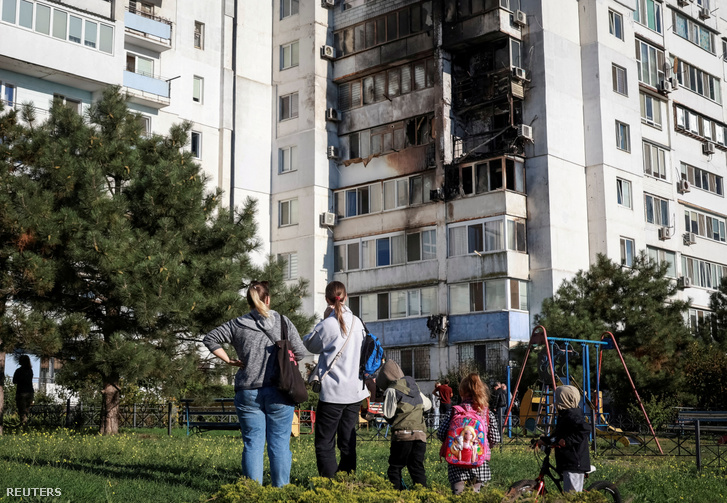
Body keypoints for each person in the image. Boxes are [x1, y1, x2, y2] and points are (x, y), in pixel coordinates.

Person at [203, 280, 308, 487]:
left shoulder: (237, 324)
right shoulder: (283, 322)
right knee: (279, 444)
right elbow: (301, 352)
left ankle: (252, 493)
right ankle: (280, 491)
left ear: (249, 302)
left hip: (247, 391)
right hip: (280, 390)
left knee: (252, 444)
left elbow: (210, 338)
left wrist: (229, 360)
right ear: (268, 299)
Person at [304, 281, 369, 478]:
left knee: (325, 442)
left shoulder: (328, 324)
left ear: (327, 299)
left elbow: (309, 344)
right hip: (355, 392)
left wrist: (324, 320)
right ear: (346, 296)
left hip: (332, 393)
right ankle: (347, 481)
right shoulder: (358, 322)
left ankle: (329, 484)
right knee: (348, 440)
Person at [437, 373, 500, 495]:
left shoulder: (454, 411)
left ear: (462, 392)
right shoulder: (486, 412)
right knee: (475, 496)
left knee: (458, 495)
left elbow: (441, 434)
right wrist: (484, 446)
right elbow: (495, 438)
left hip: (456, 461)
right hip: (479, 461)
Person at [377, 360, 432, 490]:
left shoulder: (392, 389)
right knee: (416, 467)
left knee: (395, 468)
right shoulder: (415, 387)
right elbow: (428, 404)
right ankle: (423, 494)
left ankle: (397, 495)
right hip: (420, 435)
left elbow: (389, 414)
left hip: (403, 435)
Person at [537, 385, 591, 493]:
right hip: (567, 461)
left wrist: (568, 441)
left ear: (565, 399)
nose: (556, 402)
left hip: (575, 462)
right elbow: (557, 435)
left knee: (571, 497)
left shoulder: (572, 416)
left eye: (558, 399)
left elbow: (585, 429)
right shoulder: (564, 416)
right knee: (568, 493)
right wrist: (545, 440)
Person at [13, 355, 34, 427]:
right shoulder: (30, 371)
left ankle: (23, 424)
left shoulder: (18, 371)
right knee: (26, 409)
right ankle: (24, 423)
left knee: (21, 410)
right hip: (30, 392)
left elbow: (14, 381)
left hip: (21, 392)